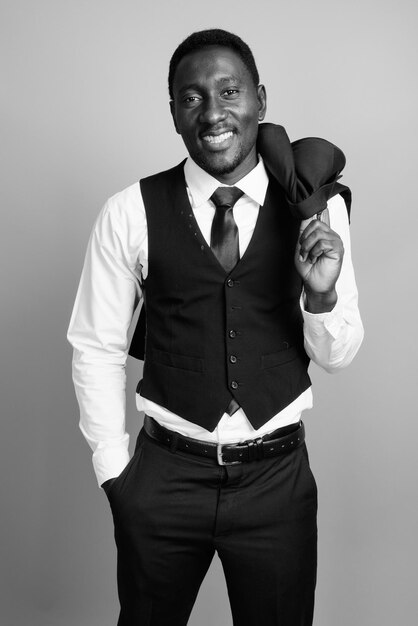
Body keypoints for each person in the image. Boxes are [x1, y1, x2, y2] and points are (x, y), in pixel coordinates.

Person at [67, 28, 364, 626]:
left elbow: (339, 355)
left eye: (229, 91)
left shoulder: (315, 209)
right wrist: (116, 475)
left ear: (259, 98)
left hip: (277, 482)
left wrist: (322, 292)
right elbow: (95, 346)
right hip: (163, 476)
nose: (213, 111)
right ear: (174, 112)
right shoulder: (129, 211)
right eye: (192, 97)